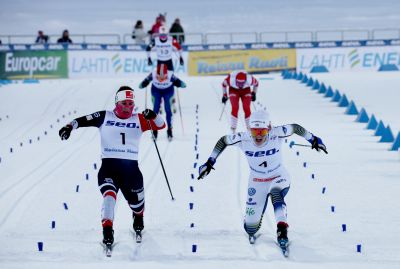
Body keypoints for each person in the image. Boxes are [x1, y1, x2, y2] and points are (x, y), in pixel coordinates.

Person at [197, 110, 327, 254]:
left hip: (278, 176)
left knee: (276, 192)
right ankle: (252, 220)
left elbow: (295, 128)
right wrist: (210, 162)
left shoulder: (276, 133)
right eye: (254, 132)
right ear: (249, 130)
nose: (258, 136)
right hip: (257, 181)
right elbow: (223, 141)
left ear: (269, 129)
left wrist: (313, 139)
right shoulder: (243, 138)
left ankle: (282, 230)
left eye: (262, 132)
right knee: (250, 228)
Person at [58, 86, 166, 250]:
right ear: (117, 102)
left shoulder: (139, 119)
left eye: (130, 103)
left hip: (131, 171)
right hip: (109, 168)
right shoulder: (104, 116)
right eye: (124, 103)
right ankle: (107, 231)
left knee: (137, 205)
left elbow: (161, 125)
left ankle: (138, 217)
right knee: (109, 198)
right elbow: (81, 120)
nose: (128, 107)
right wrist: (68, 127)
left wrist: (153, 115)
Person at [138, 63, 186, 141]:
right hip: (156, 90)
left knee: (168, 109)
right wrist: (144, 84)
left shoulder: (170, 75)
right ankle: (154, 130)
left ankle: (169, 130)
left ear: (166, 74)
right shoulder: (153, 74)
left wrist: (179, 84)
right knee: (155, 109)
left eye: (163, 77)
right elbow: (145, 81)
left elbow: (181, 83)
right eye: (158, 77)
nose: (161, 79)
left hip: (168, 90)